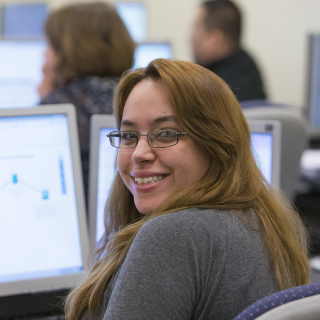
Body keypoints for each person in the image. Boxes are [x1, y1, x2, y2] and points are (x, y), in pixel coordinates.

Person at [64, 59, 309, 320]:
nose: (139, 153)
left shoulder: (172, 235)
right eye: (128, 136)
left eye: (166, 134)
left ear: (215, 143)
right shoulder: (262, 221)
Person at [38, 2, 135, 200]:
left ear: (67, 51)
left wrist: (44, 107)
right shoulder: (136, 94)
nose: (45, 54)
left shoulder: (59, 108)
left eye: (51, 45)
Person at [191, 0, 267, 102]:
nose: (191, 37)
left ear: (214, 40)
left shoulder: (209, 92)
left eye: (196, 28)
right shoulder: (249, 66)